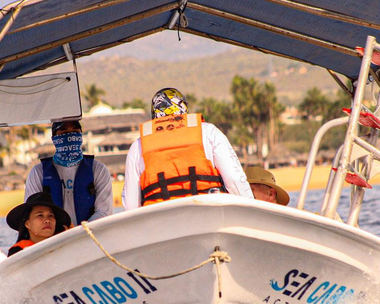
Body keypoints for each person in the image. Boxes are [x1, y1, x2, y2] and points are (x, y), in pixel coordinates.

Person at [123, 87, 253, 209]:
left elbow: (130, 204)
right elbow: (234, 180)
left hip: (161, 221)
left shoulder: (137, 147)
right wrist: (249, 208)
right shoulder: (209, 132)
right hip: (208, 209)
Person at [24, 119, 113, 226]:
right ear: (54, 138)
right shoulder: (38, 173)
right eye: (64, 133)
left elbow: (104, 212)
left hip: (89, 235)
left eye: (75, 132)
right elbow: (32, 212)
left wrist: (78, 232)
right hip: (53, 238)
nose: (70, 136)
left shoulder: (98, 170)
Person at [5, 192, 72, 256]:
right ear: (27, 224)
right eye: (40, 215)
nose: (47, 220)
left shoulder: (64, 247)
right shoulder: (17, 251)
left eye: (51, 215)